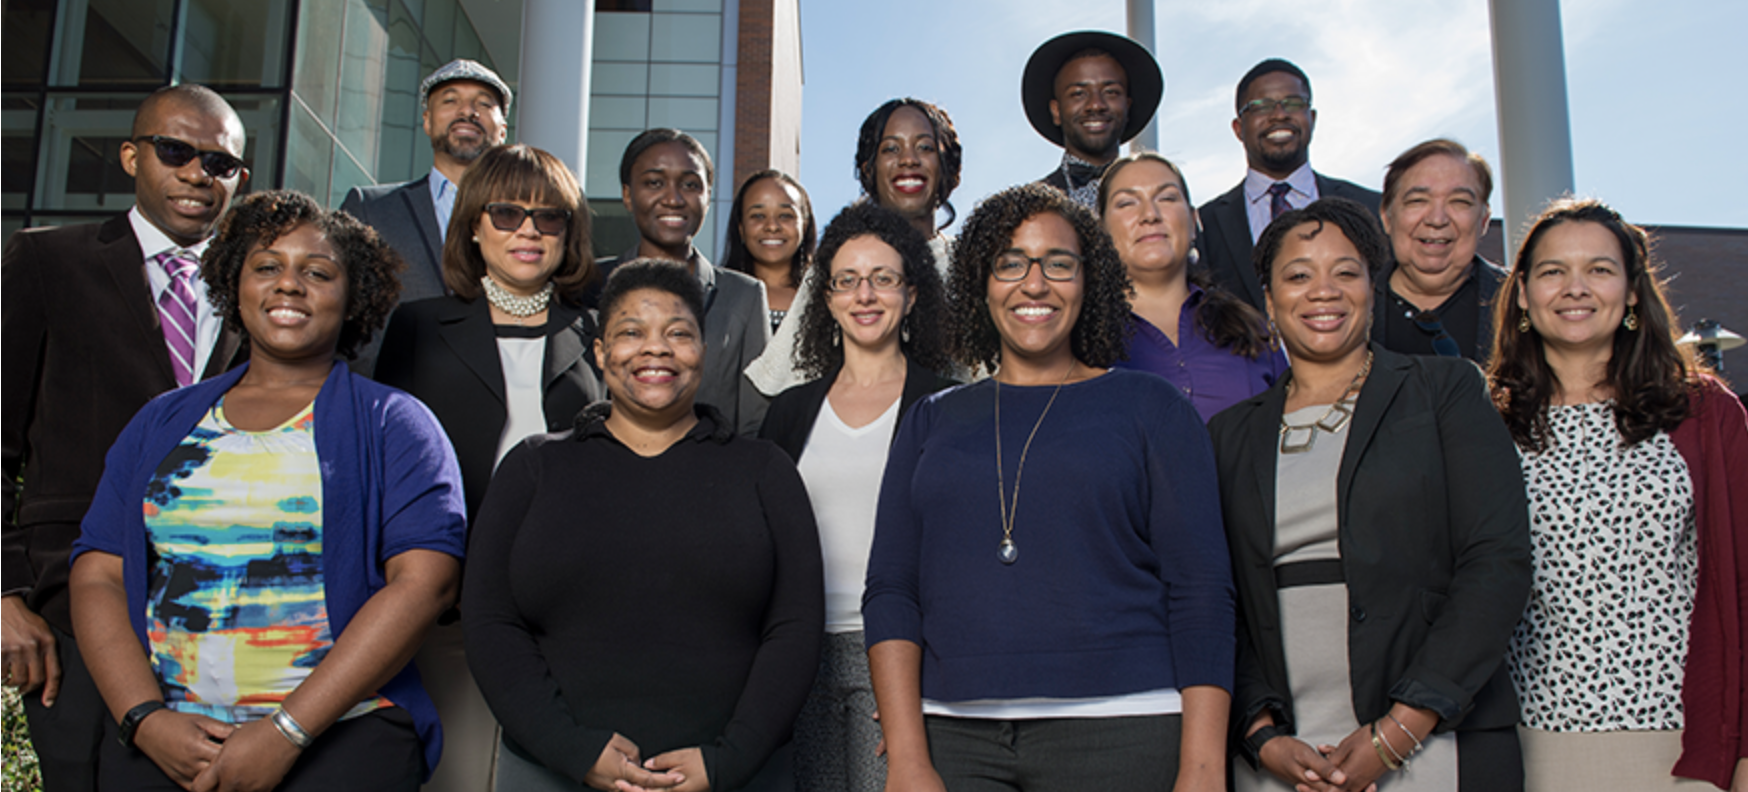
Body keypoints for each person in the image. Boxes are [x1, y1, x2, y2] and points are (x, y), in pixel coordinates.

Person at [68, 190, 467, 791]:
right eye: (267, 267)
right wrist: (144, 718)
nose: (289, 284)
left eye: (318, 272)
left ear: (353, 295)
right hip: (166, 743)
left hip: (341, 739)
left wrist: (286, 732)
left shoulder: (395, 422)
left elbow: (425, 581)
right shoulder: (162, 420)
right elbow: (98, 571)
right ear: (236, 285)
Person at [864, 183, 1234, 792]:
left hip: (1124, 730)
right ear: (979, 283)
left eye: (1058, 263)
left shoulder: (1151, 407)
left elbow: (1200, 591)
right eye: (1010, 263)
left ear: (1089, 281)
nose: (1034, 284)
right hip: (955, 739)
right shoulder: (931, 417)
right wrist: (907, 757)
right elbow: (892, 590)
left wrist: (1201, 768)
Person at [464, 259, 823, 792]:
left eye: (678, 333)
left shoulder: (764, 470)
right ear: (601, 353)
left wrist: (731, 759)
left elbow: (795, 627)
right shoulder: (533, 467)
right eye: (631, 332)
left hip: (738, 774)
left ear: (704, 350)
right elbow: (490, 620)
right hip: (552, 769)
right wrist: (569, 747)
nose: (655, 348)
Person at [1208, 197, 1530, 792]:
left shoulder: (1444, 391)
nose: (1323, 291)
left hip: (1433, 735)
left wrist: (1398, 732)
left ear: (1372, 289)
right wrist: (1259, 734)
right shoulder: (1228, 435)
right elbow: (1216, 599)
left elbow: (1498, 561)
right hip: (1284, 755)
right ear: (1270, 302)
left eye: (1346, 272)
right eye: (1298, 276)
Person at [2, 83, 250, 792]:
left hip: (216, 604)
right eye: (177, 153)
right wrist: (4, 593)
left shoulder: (257, 289)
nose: (199, 174)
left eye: (221, 164)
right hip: (68, 604)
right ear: (131, 156)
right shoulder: (49, 262)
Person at [1486, 198, 1748, 791]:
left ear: (1632, 291)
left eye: (1600, 269)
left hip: (1681, 745)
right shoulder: (1483, 424)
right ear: (1523, 294)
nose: (1575, 288)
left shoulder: (1703, 412)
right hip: (1524, 747)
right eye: (1553, 271)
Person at [372, 143, 602, 792]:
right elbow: (390, 472)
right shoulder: (418, 328)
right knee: (455, 776)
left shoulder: (597, 332)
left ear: (569, 232)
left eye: (548, 216)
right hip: (448, 612)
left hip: (567, 618)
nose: (528, 230)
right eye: (505, 212)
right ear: (473, 224)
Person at [757, 203, 957, 792]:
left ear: (912, 294)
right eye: (847, 280)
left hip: (903, 656)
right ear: (827, 298)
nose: (864, 295)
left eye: (884, 279)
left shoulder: (949, 409)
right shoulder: (791, 411)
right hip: (801, 657)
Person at [747, 98, 963, 397]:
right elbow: (780, 384)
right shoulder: (835, 264)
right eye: (891, 148)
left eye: (924, 147)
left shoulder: (969, 265)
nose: (908, 159)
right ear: (869, 168)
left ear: (946, 164)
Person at [341, 59, 513, 375]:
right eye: (450, 101)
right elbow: (341, 310)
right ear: (427, 121)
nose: (467, 111)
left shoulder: (528, 220)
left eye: (483, 103)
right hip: (391, 394)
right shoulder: (370, 208)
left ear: (502, 130)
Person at [598, 128, 771, 434]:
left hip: (712, 475)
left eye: (690, 185)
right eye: (654, 183)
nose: (673, 199)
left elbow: (755, 422)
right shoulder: (591, 284)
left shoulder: (743, 295)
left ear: (708, 196)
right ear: (627, 194)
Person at [1098, 151, 1285, 421]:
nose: (1150, 214)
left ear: (1194, 222)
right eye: (1127, 203)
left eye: (1167, 198)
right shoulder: (1080, 342)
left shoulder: (1250, 330)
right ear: (1100, 232)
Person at [1199, 59, 1382, 312]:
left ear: (1312, 118)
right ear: (1238, 128)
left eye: (1294, 103)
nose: (1280, 114)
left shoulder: (1373, 208)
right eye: (1262, 106)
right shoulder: (1204, 225)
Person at [1372, 139, 1506, 363]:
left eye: (1460, 202)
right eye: (1417, 201)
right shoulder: (1348, 302)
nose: (1437, 219)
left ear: (1483, 220)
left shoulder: (1521, 303)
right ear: (1387, 217)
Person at [1021, 30, 1164, 210]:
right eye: (1078, 94)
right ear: (1056, 111)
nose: (1096, 105)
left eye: (1111, 92)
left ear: (1127, 107)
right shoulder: (1028, 208)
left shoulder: (1161, 200)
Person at [723, 169, 817, 333]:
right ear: (741, 228)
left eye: (785, 216)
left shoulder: (829, 298)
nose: (772, 226)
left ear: (804, 224)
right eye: (758, 216)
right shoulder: (716, 296)